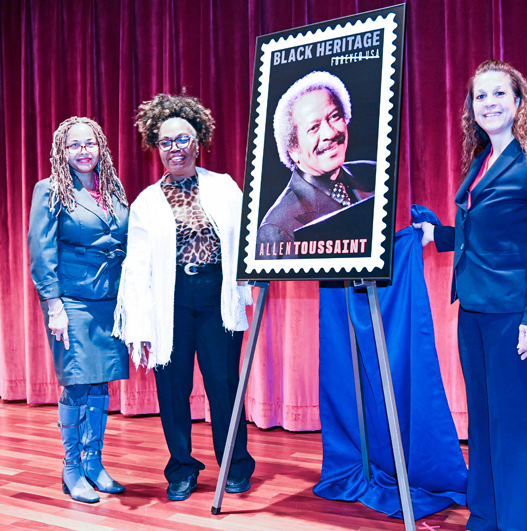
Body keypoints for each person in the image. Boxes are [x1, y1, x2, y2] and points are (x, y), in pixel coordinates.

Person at [414, 60, 527, 530]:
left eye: (499, 94)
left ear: (519, 101)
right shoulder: (483, 161)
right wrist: (437, 235)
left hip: (514, 316)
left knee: (517, 427)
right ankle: (484, 518)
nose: (489, 103)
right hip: (474, 311)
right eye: (480, 96)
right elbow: (480, 229)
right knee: (483, 422)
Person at [113, 93, 255, 501]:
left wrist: (254, 279)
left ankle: (235, 463)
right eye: (165, 141)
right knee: (172, 389)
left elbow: (246, 243)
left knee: (224, 385)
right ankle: (181, 469)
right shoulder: (146, 202)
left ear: (199, 142)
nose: (175, 148)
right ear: (156, 148)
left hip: (216, 298)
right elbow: (137, 265)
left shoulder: (225, 188)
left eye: (183, 139)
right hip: (169, 301)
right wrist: (139, 320)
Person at [28, 116, 130, 504]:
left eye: (90, 144)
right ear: (62, 151)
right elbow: (42, 250)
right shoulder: (50, 190)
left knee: (101, 381)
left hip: (109, 301)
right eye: (75, 145)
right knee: (76, 381)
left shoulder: (114, 190)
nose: (83, 151)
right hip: (70, 301)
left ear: (100, 146)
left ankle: (94, 463)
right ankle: (71, 469)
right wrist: (53, 304)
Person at [256, 71, 375, 257]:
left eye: (334, 116)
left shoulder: (375, 173)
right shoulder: (277, 228)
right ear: (293, 149)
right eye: (314, 127)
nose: (330, 133)